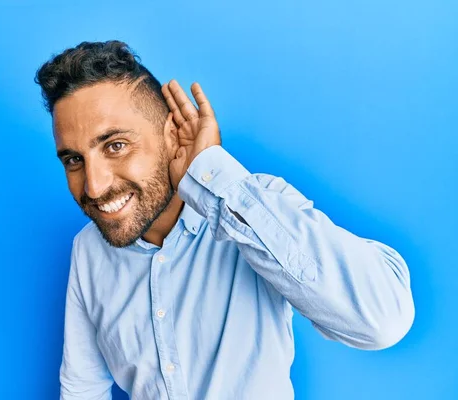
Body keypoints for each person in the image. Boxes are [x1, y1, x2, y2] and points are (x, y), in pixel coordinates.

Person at [34, 40, 415, 400]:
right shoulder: (88, 249)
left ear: (172, 135)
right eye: (73, 160)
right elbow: (83, 387)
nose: (95, 186)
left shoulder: (255, 206)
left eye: (116, 146)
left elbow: (383, 321)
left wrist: (214, 177)